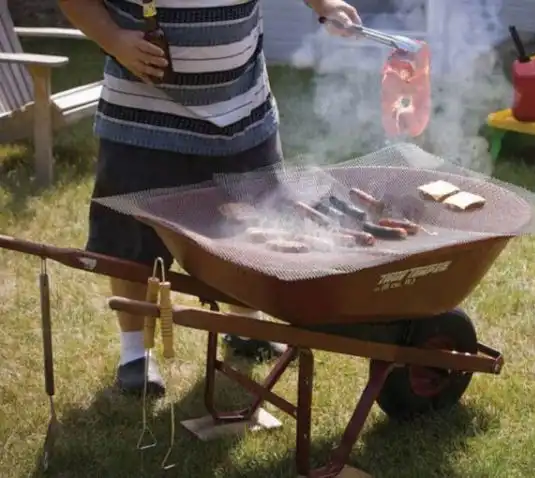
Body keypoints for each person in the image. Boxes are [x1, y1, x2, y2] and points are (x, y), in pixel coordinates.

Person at [58, 0, 362, 396]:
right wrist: (114, 39)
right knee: (133, 241)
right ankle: (135, 353)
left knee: (255, 226)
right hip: (143, 115)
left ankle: (246, 326)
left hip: (242, 110)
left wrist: (325, 4)